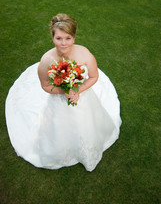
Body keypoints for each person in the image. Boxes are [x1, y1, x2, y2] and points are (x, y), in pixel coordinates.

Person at [5, 13, 122, 172]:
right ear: (52, 37)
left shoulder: (84, 53)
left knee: (87, 123)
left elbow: (94, 76)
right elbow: (46, 86)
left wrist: (77, 90)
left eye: (67, 38)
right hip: (58, 103)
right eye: (58, 38)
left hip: (84, 98)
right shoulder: (47, 60)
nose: (63, 43)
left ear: (74, 37)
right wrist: (64, 91)